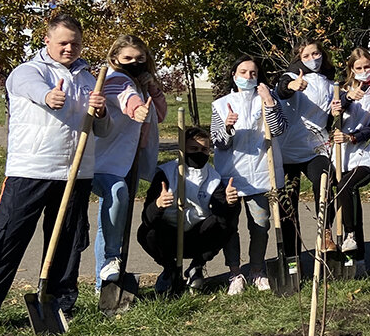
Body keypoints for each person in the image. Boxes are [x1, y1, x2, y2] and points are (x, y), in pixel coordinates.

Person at [0, 13, 110, 336]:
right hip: (31, 171)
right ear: (47, 40)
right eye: (63, 43)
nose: (69, 48)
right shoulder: (28, 72)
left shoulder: (90, 80)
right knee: (4, 240)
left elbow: (102, 130)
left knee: (68, 243)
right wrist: (48, 96)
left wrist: (101, 111)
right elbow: (32, 90)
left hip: (76, 174)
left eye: (75, 43)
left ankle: (59, 306)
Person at [91, 34, 167, 290]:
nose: (134, 63)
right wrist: (137, 108)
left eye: (140, 58)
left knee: (114, 221)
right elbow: (125, 98)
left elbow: (161, 114)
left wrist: (153, 88)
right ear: (115, 58)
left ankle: (107, 282)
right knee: (116, 197)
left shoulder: (140, 83)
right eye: (128, 58)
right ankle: (110, 261)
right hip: (104, 161)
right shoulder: (116, 79)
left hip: (127, 161)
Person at [210, 55, 287, 294]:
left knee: (260, 225)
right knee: (230, 227)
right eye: (243, 72)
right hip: (231, 175)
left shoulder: (268, 98)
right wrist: (228, 127)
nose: (248, 77)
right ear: (234, 75)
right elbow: (218, 142)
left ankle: (257, 270)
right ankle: (235, 273)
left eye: (253, 73)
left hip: (262, 173)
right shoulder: (221, 104)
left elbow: (279, 130)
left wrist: (269, 102)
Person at [138, 126, 240, 292]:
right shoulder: (165, 174)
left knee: (229, 219)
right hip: (169, 236)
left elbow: (222, 217)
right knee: (145, 232)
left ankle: (196, 267)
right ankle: (170, 269)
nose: (199, 153)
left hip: (198, 236)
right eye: (193, 149)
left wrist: (229, 203)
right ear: (183, 149)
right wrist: (158, 205)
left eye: (204, 149)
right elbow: (146, 218)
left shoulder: (214, 178)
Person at [275, 38, 338, 262]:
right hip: (287, 151)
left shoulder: (330, 83)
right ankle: (292, 257)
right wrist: (292, 86)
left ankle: (326, 232)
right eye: (306, 56)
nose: (313, 59)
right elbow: (282, 89)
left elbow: (329, 117)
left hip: (315, 148)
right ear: (299, 59)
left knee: (326, 181)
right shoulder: (292, 76)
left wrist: (337, 110)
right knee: (287, 205)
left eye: (316, 54)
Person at [330, 48, 370, 277]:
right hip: (343, 154)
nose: (364, 71)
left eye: (367, 67)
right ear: (351, 70)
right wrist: (344, 101)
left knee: (346, 186)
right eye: (359, 68)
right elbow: (331, 118)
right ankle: (354, 259)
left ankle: (350, 235)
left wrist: (353, 137)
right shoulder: (343, 91)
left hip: (369, 152)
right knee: (347, 201)